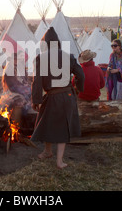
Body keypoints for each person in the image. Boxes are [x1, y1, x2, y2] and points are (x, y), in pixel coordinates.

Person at [31, 27, 85, 169]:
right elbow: (81, 75)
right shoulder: (69, 56)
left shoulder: (40, 58)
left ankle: (59, 161)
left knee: (59, 127)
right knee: (47, 124)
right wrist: (79, 88)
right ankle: (48, 152)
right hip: (65, 96)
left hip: (55, 96)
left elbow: (36, 81)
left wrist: (35, 100)